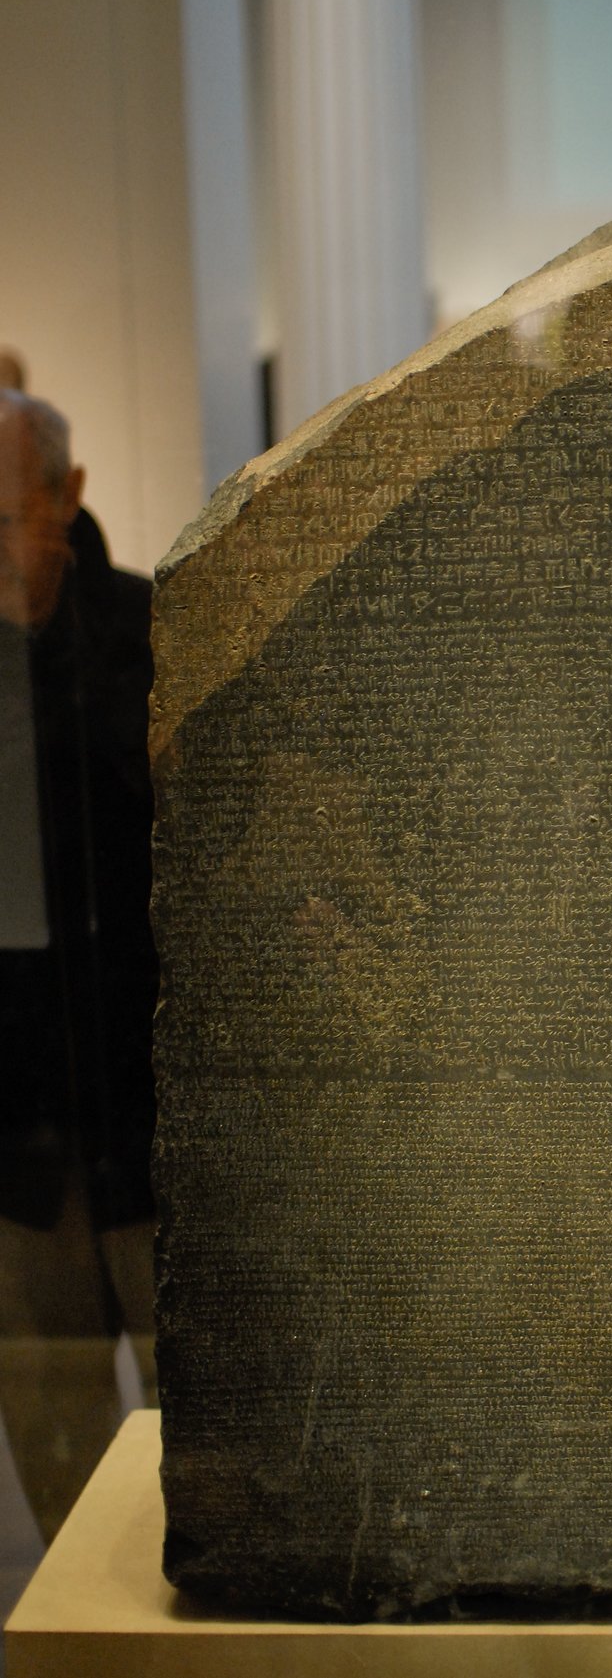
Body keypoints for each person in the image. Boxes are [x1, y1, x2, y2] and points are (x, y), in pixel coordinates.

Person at [0, 383, 158, 1541]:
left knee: (204, 1457)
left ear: (68, 497)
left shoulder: (152, 637)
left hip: (155, 1142)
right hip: (21, 1159)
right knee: (60, 1496)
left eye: (7, 514)